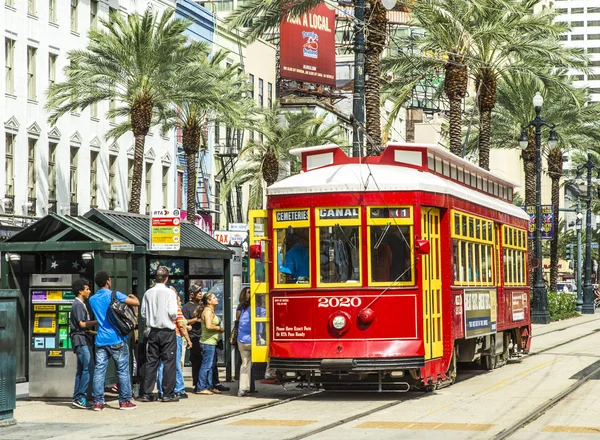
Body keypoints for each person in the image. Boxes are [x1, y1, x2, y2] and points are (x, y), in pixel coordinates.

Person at [89, 271, 139, 411]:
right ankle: (124, 401)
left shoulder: (92, 299)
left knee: (99, 371)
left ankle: (98, 402)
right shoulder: (115, 294)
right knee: (122, 370)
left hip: (100, 340)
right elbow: (135, 303)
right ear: (108, 281)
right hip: (117, 338)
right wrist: (133, 297)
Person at [140, 266, 179, 402]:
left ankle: (147, 392)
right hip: (167, 330)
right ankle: (167, 393)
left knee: (151, 362)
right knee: (169, 362)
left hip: (152, 330)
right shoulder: (170, 293)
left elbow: (143, 313)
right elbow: (173, 312)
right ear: (167, 278)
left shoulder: (148, 293)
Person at [156, 289, 192, 399]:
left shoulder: (160, 308)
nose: (179, 301)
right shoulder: (176, 309)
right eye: (178, 298)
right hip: (175, 337)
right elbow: (181, 325)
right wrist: (188, 339)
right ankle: (179, 388)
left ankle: (162, 389)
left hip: (160, 336)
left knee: (162, 364)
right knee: (176, 363)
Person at [70, 278, 97, 409]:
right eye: (87, 289)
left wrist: (94, 333)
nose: (89, 291)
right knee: (88, 367)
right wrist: (98, 322)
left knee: (81, 369)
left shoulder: (81, 304)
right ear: (80, 291)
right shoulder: (78, 305)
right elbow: (81, 324)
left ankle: (77, 397)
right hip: (80, 340)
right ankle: (81, 396)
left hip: (82, 338)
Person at [196, 292, 224, 395]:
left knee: (211, 365)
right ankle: (201, 387)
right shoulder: (207, 311)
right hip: (207, 342)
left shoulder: (211, 310)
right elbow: (208, 326)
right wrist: (219, 328)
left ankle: (209, 386)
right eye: (214, 298)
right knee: (206, 365)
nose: (217, 299)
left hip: (212, 341)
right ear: (209, 301)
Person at [182, 284, 203, 390]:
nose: (200, 293)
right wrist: (195, 320)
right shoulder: (186, 307)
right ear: (192, 294)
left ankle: (208, 383)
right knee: (196, 361)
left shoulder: (203, 305)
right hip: (194, 336)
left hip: (204, 336)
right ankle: (197, 384)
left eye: (200, 291)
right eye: (198, 291)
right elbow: (183, 322)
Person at [236, 287, 252, 396]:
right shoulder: (255, 307)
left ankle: (243, 389)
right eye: (249, 292)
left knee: (245, 364)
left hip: (241, 339)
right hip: (252, 340)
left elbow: (238, 322)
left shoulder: (241, 307)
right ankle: (270, 372)